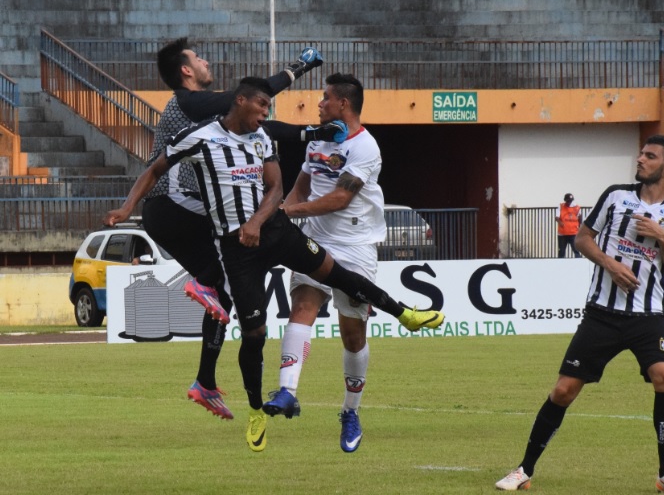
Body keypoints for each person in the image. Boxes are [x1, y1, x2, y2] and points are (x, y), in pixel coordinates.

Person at [104, 79, 445, 452]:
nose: (267, 113)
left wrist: (265, 219)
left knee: (349, 313)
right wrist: (126, 208)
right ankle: (265, 404)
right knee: (257, 333)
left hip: (313, 235)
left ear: (343, 103)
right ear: (241, 101)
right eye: (263, 106)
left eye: (325, 98)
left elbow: (289, 189)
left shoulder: (338, 144)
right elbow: (155, 170)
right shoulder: (200, 137)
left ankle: (395, 328)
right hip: (241, 248)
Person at [132, 37, 339, 421]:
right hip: (170, 204)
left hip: (178, 211)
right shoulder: (187, 102)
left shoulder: (226, 122)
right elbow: (257, 97)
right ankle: (203, 283)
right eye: (199, 58)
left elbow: (266, 126)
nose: (206, 61)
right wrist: (298, 68)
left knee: (227, 288)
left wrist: (311, 133)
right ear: (186, 70)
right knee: (224, 269)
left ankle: (205, 381)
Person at [496, 135, 664, 494]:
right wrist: (610, 264)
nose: (640, 159)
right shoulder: (616, 197)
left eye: (649, 156)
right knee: (563, 390)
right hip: (602, 314)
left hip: (650, 317)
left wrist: (663, 239)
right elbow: (582, 238)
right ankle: (524, 470)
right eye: (641, 153)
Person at [261, 73, 382, 453]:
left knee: (353, 334)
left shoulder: (366, 147)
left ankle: (350, 411)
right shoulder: (321, 140)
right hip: (316, 239)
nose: (319, 103)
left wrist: (291, 211)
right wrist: (285, 210)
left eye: (325, 98)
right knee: (302, 306)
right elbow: (303, 182)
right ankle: (286, 391)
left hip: (355, 245)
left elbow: (340, 199)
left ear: (343, 104)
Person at [555, 192, 582, 258]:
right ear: (565, 200)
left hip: (573, 232)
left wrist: (580, 226)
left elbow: (580, 217)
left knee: (576, 250)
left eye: (570, 201)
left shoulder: (577, 207)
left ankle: (579, 263)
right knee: (561, 251)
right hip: (562, 233)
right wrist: (560, 222)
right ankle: (560, 264)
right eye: (568, 201)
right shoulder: (561, 206)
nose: (569, 202)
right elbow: (556, 217)